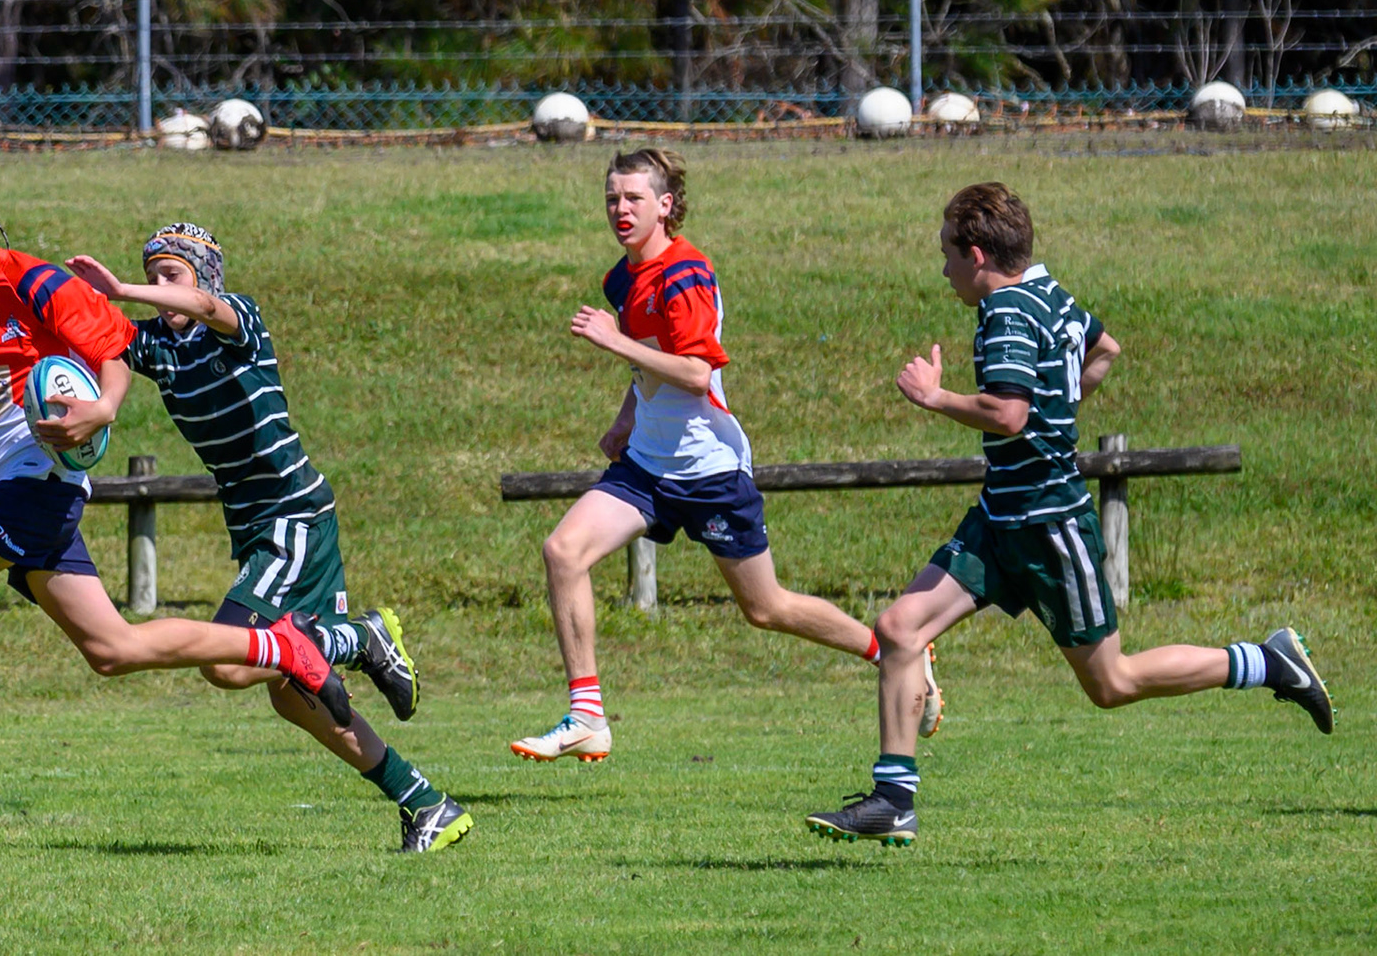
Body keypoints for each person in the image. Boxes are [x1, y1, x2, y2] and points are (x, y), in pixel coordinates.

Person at [807, 182, 1333, 848]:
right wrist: (1061, 402)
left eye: (947, 255)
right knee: (899, 627)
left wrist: (935, 397)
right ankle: (893, 800)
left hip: (1049, 526)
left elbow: (1008, 414)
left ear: (976, 255)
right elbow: (1106, 348)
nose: (943, 271)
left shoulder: (1005, 309)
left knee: (1112, 682)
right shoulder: (1050, 294)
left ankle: (1266, 661)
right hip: (1002, 516)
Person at [0, 163, 348, 829]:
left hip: (41, 482)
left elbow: (112, 351)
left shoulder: (38, 282)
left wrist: (103, 410)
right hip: (10, 485)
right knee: (113, 650)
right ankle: (283, 649)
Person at [511, 149, 932, 764]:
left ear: (665, 205)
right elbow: (650, 363)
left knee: (766, 608)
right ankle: (588, 716)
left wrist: (615, 340)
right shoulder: (621, 278)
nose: (620, 209)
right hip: (646, 466)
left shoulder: (687, 274)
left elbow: (695, 371)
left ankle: (891, 649)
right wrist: (626, 420)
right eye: (611, 198)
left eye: (633, 198)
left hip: (708, 470)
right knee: (563, 551)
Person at [67, 224, 472, 853]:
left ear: (203, 277)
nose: (160, 288)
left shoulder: (239, 321)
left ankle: (360, 638)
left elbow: (203, 306)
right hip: (261, 524)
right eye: (152, 275)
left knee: (227, 664)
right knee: (292, 693)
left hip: (291, 516)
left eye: (170, 274)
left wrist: (124, 290)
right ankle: (426, 803)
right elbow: (99, 339)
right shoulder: (157, 345)